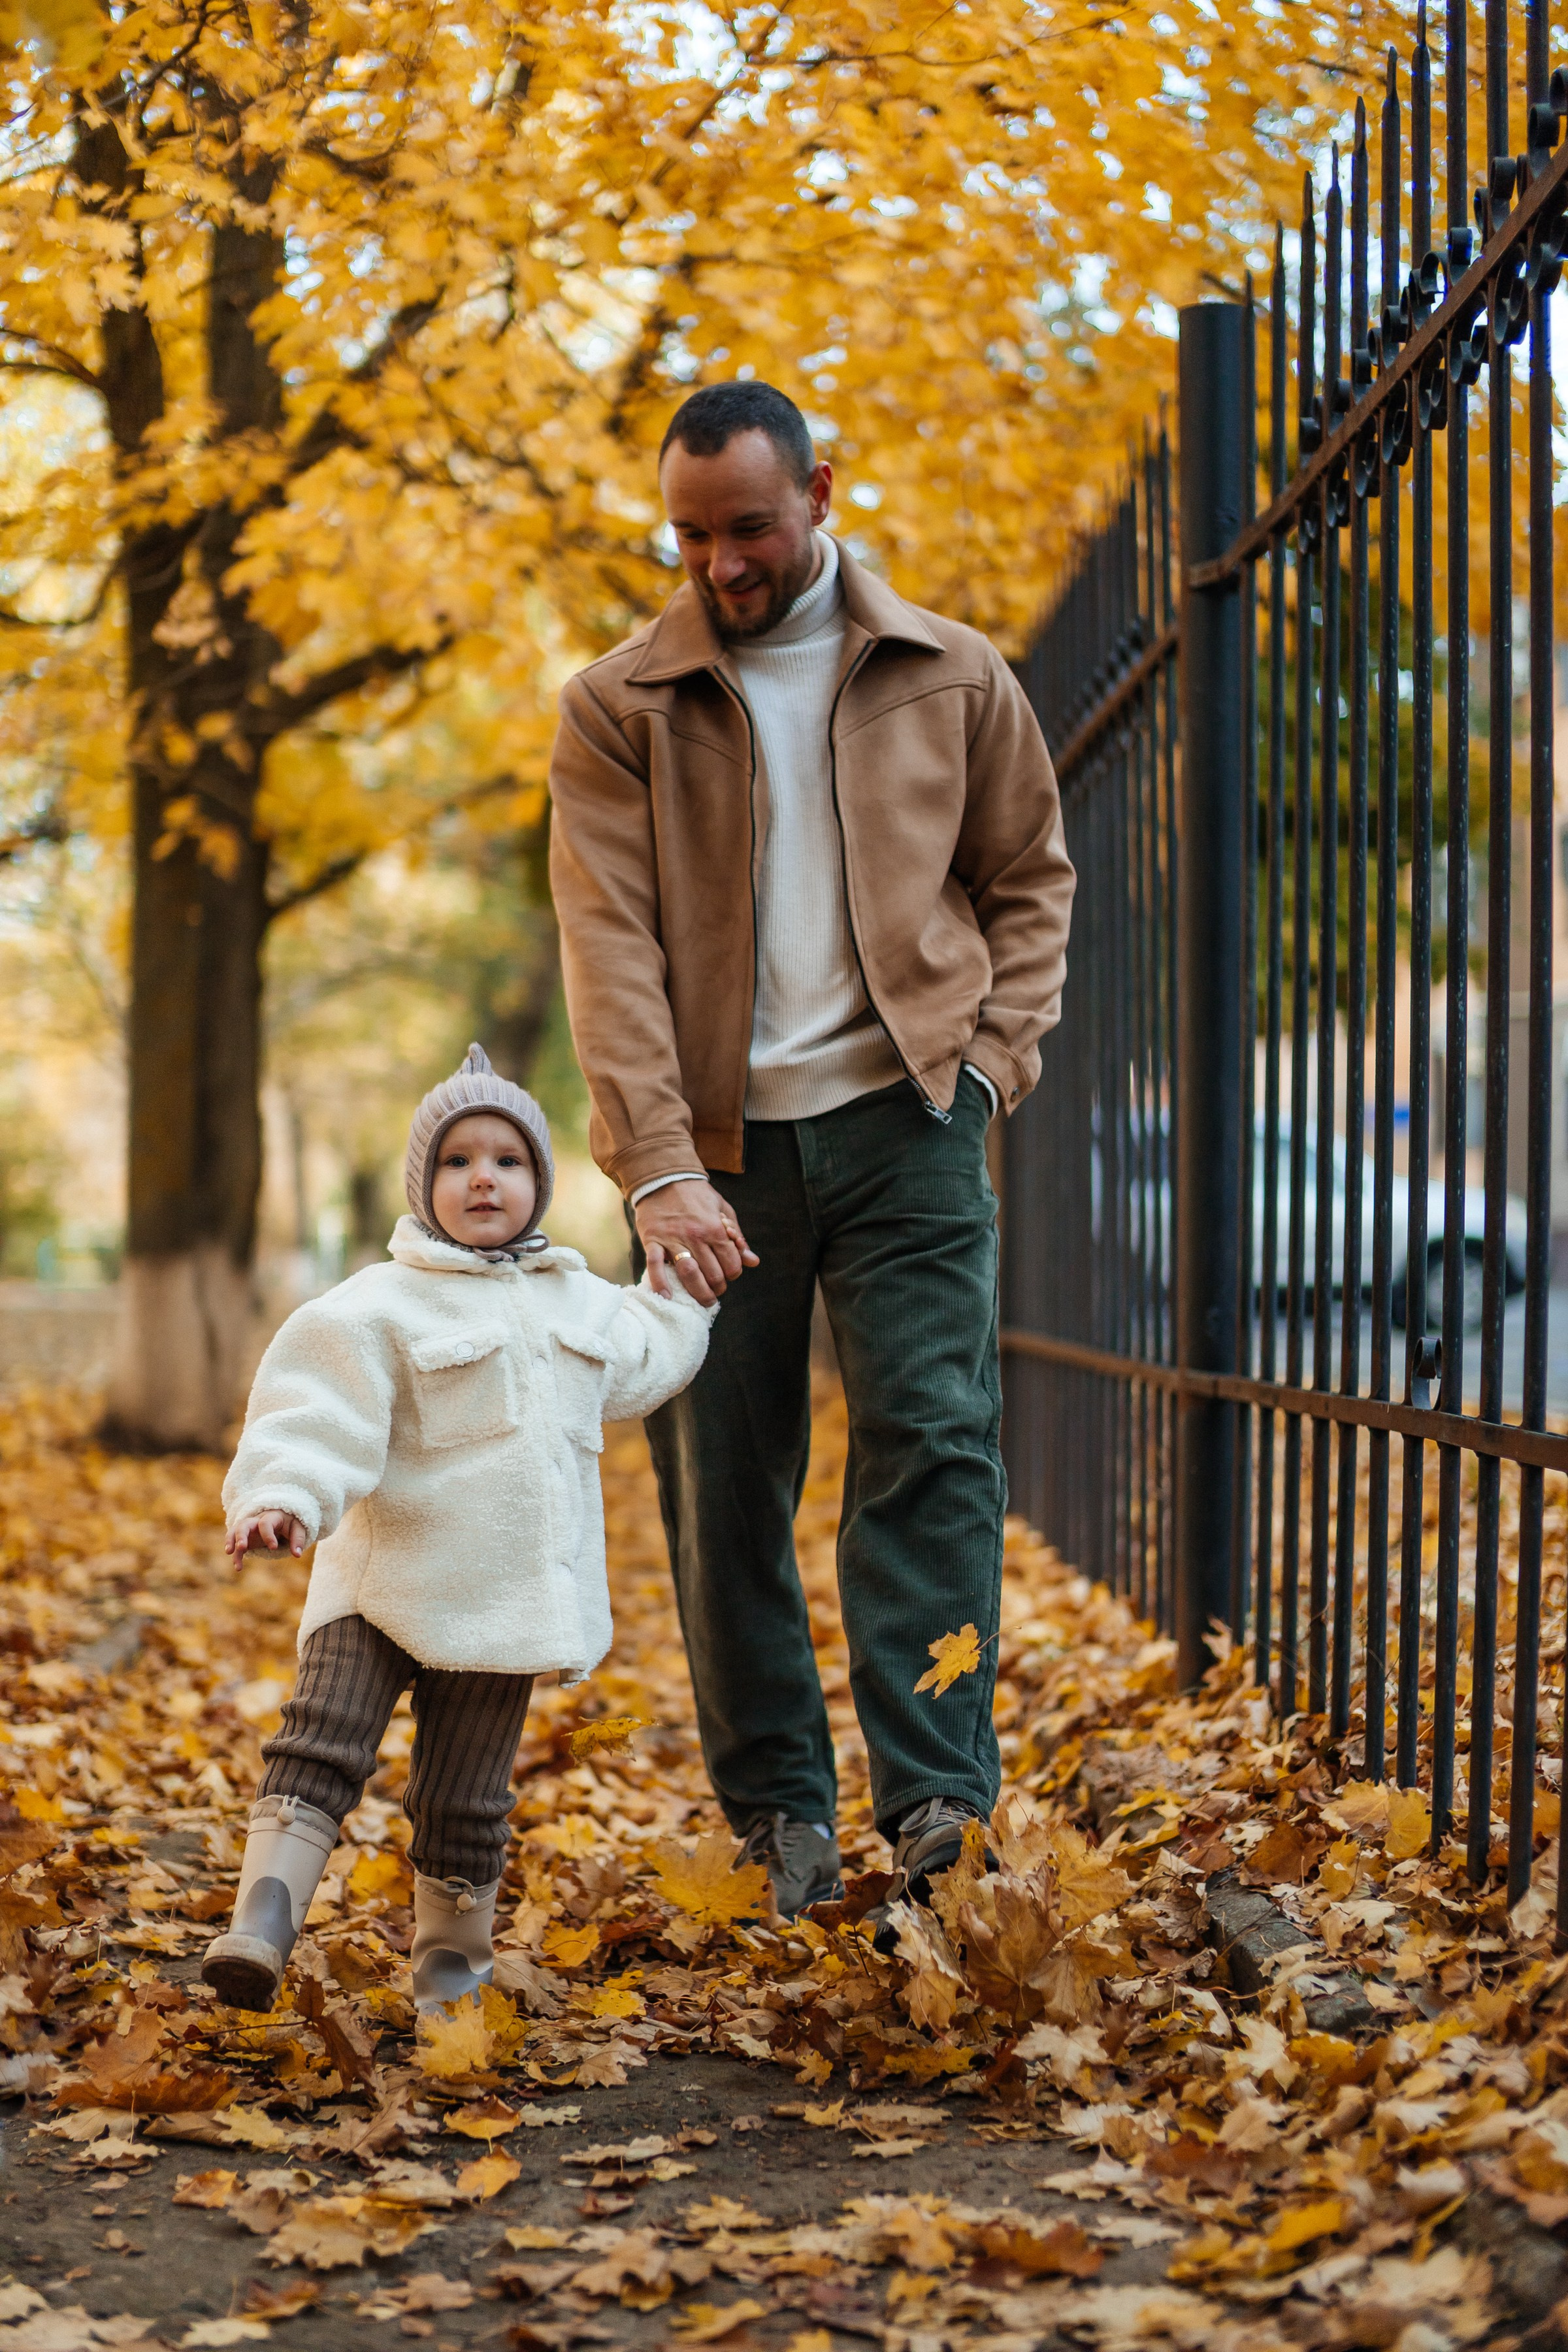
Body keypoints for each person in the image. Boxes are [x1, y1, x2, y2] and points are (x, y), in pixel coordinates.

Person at [548, 381, 1075, 1922]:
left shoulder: (951, 675)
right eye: (691, 536)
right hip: (712, 1160)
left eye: (751, 528)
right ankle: (781, 1813)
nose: (722, 563)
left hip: (910, 1124)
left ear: (822, 493)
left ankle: (937, 1804)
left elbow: (1028, 880)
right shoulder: (619, 707)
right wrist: (658, 1167)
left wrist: (986, 1073)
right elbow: (608, 949)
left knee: (935, 1447)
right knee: (723, 1485)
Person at [203, 1044, 713, 2014]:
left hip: (503, 1598)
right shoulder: (380, 1302)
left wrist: (679, 1296)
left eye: (508, 1160)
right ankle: (261, 1925)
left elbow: (646, 1358)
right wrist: (283, 1496)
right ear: (422, 1183)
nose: (484, 1177)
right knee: (322, 1742)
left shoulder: (578, 1299)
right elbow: (317, 1408)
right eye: (457, 1160)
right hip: (383, 1585)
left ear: (539, 1184)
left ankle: (452, 1977)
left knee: (466, 1799)